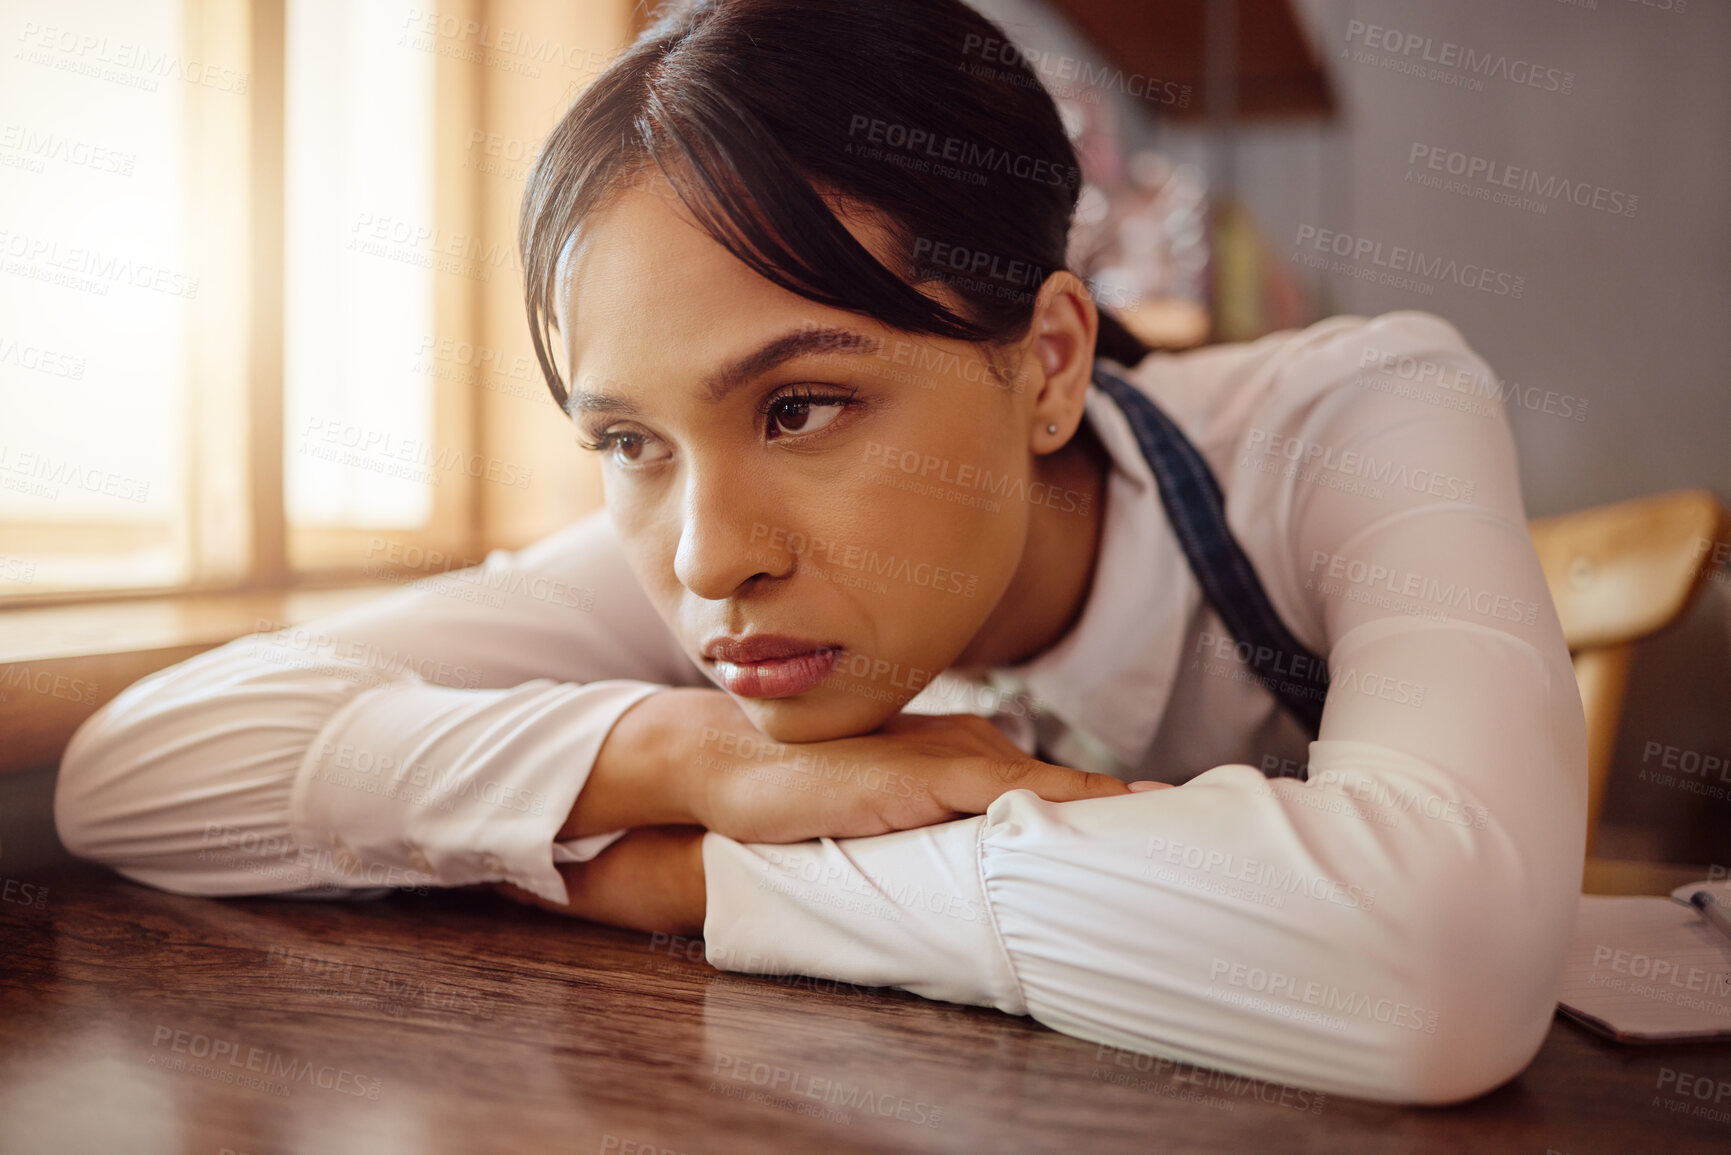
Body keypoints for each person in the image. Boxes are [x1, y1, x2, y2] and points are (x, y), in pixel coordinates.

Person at [53, 0, 1585, 1106]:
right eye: (626, 441)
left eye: (800, 406)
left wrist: (697, 881)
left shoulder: (1352, 419)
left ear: (1049, 361)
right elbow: (136, 768)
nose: (711, 556)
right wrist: (682, 761)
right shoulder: (701, 571)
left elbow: (1435, 967)